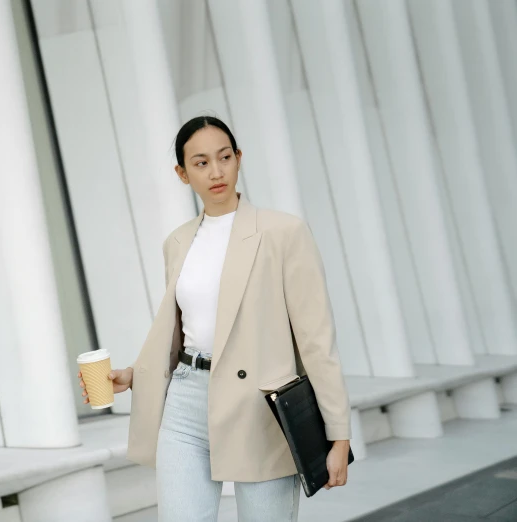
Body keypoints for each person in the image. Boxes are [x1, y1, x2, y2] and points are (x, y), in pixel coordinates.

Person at [78, 116, 351, 521]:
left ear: (239, 159)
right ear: (182, 173)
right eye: (201, 162)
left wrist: (339, 436)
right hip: (186, 403)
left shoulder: (283, 232)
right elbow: (187, 331)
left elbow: (316, 341)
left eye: (225, 157)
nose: (216, 171)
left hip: (260, 409)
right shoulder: (178, 242)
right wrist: (135, 374)